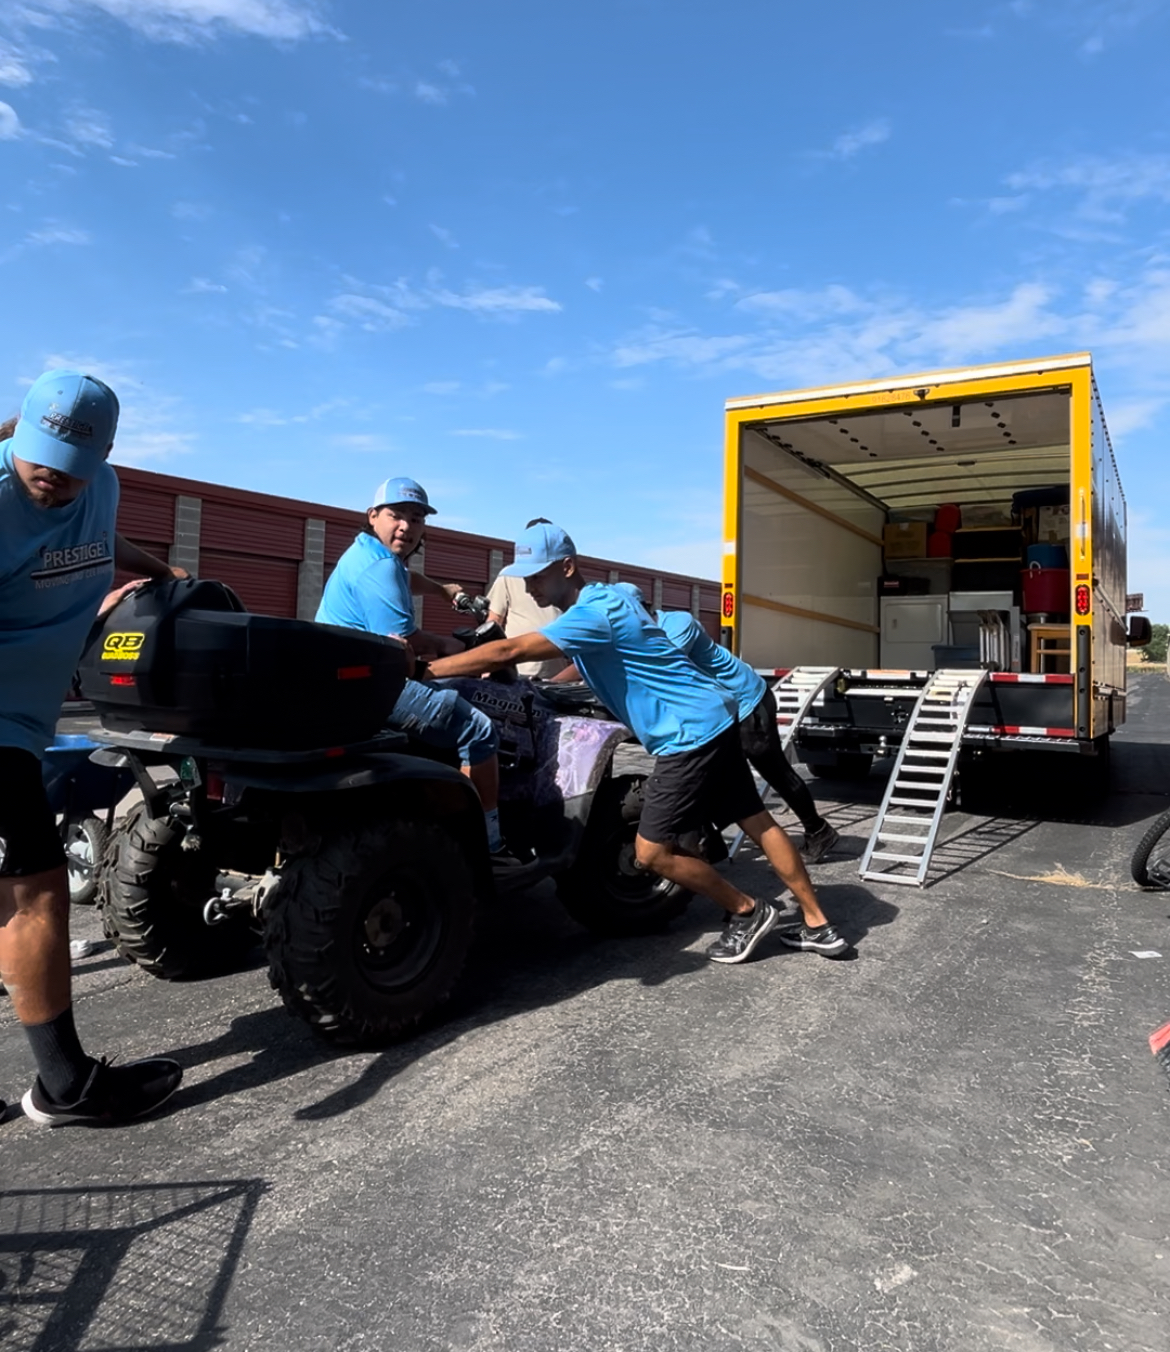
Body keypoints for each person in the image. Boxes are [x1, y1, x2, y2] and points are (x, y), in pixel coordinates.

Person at [428, 521, 848, 962]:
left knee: (650, 854)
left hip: (685, 736)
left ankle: (747, 910)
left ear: (568, 567)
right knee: (756, 820)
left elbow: (510, 652)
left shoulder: (591, 614)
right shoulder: (612, 598)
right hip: (716, 717)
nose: (530, 585)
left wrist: (425, 671)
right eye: (526, 576)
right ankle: (819, 924)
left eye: (538, 574)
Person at [1, 369, 183, 1126]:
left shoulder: (96, 488)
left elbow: (101, 536)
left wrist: (158, 572)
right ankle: (64, 1087)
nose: (54, 477)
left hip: (29, 719)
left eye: (75, 465)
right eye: (40, 455)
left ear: (104, 456)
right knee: (34, 892)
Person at [316, 477, 508, 854]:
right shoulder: (381, 568)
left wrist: (441, 590)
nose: (406, 526)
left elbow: (405, 576)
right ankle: (488, 843)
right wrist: (452, 647)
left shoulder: (365, 553)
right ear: (373, 516)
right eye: (396, 515)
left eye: (417, 518)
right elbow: (409, 645)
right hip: (372, 686)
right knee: (479, 731)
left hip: (340, 679)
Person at [619, 586, 839, 865]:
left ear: (643, 609)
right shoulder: (643, 636)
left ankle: (818, 831)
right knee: (708, 777)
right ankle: (709, 844)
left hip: (747, 701)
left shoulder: (676, 623)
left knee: (774, 770)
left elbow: (664, 669)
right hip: (720, 711)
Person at [486, 518, 570, 680]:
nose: (529, 588)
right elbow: (493, 621)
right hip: (516, 673)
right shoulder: (508, 576)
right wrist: (489, 663)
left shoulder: (560, 579)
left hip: (554, 676)